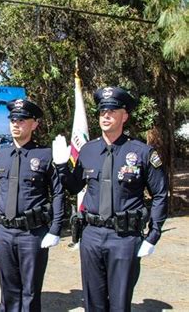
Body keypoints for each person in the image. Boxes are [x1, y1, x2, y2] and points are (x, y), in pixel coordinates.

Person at [52, 86, 168, 311]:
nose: (106, 115)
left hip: (124, 238)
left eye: (112, 111)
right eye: (102, 111)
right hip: (92, 236)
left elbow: (160, 194)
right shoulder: (88, 150)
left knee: (119, 303)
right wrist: (61, 167)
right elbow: (75, 186)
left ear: (124, 115)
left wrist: (153, 235)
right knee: (93, 302)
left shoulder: (142, 153)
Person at [0, 99, 65, 311]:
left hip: (32, 233)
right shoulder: (3, 154)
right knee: (8, 288)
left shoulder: (45, 155)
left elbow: (58, 192)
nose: (15, 124)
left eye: (22, 120)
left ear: (34, 124)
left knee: (30, 290)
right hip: (4, 231)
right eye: (13, 120)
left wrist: (55, 228)